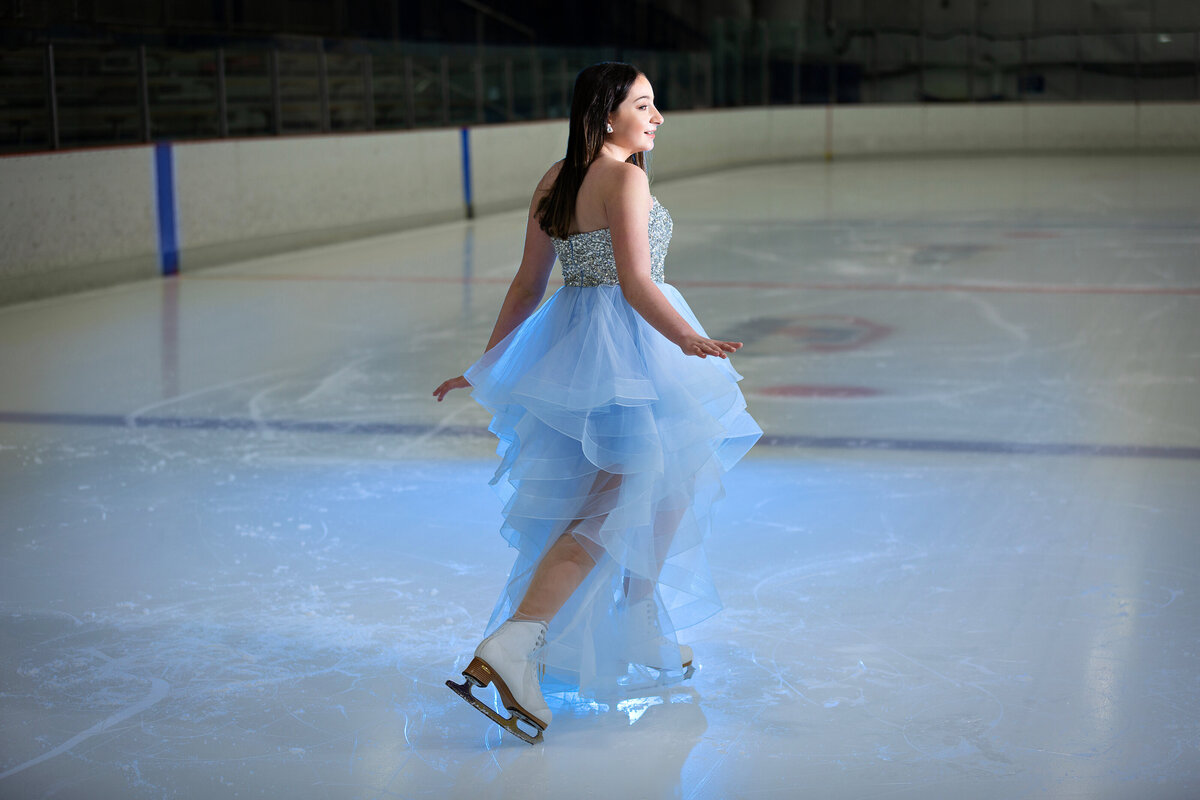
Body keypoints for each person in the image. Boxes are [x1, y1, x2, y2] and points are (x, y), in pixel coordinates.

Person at [433, 62, 761, 745]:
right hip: (631, 349)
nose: (658, 116)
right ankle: (519, 639)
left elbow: (528, 285)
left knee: (667, 476)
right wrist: (687, 338)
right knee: (613, 501)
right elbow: (639, 282)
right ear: (607, 114)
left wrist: (488, 364)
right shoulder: (626, 177)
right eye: (645, 104)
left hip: (579, 345)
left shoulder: (555, 179)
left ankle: (637, 615)